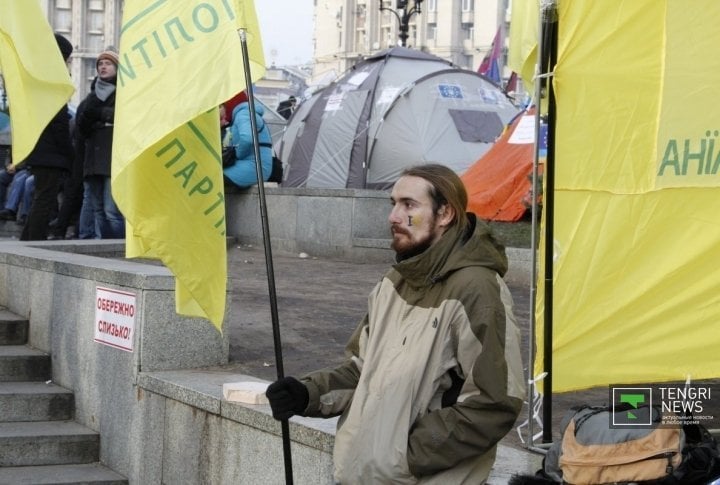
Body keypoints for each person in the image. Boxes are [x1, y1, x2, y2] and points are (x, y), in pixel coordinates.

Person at [266, 164, 525, 484]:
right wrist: (306, 393)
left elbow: (494, 402)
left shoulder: (477, 289)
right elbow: (361, 370)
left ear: (444, 214)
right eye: (394, 204)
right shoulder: (394, 282)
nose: (394, 216)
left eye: (409, 205)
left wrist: (404, 454)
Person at [20, 34, 74, 241]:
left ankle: (27, 240)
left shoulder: (39, 76)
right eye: (68, 58)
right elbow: (59, 123)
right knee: (45, 199)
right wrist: (70, 153)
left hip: (39, 149)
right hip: (51, 152)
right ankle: (34, 240)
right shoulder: (55, 79)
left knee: (39, 197)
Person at [75, 49, 124, 239]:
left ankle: (116, 250)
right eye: (100, 64)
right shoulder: (92, 95)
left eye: (108, 63)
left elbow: (121, 118)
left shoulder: (124, 92)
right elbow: (82, 126)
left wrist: (101, 116)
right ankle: (101, 245)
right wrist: (103, 119)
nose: (103, 66)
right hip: (93, 162)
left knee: (112, 211)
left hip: (112, 159)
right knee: (97, 210)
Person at [222, 91, 273, 189]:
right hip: (253, 166)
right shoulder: (246, 113)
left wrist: (236, 155)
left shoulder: (243, 114)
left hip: (253, 168)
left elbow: (247, 139)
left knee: (212, 178)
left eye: (223, 105)